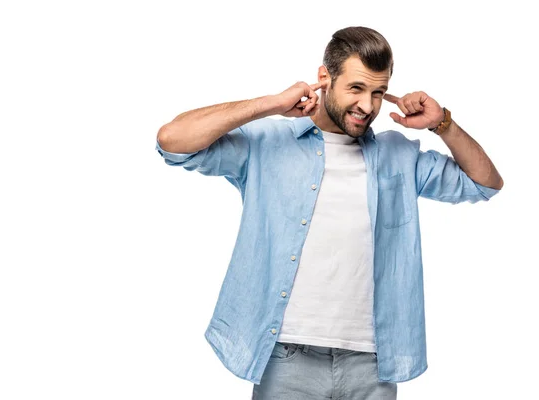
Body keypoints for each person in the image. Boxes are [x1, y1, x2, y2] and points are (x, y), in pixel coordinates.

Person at [154, 26, 503, 400]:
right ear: (325, 78)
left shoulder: (399, 157)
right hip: (286, 358)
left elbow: (485, 183)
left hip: (372, 366)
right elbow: (173, 141)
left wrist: (442, 122)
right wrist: (270, 103)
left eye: (378, 93)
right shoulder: (268, 145)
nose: (368, 106)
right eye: (356, 88)